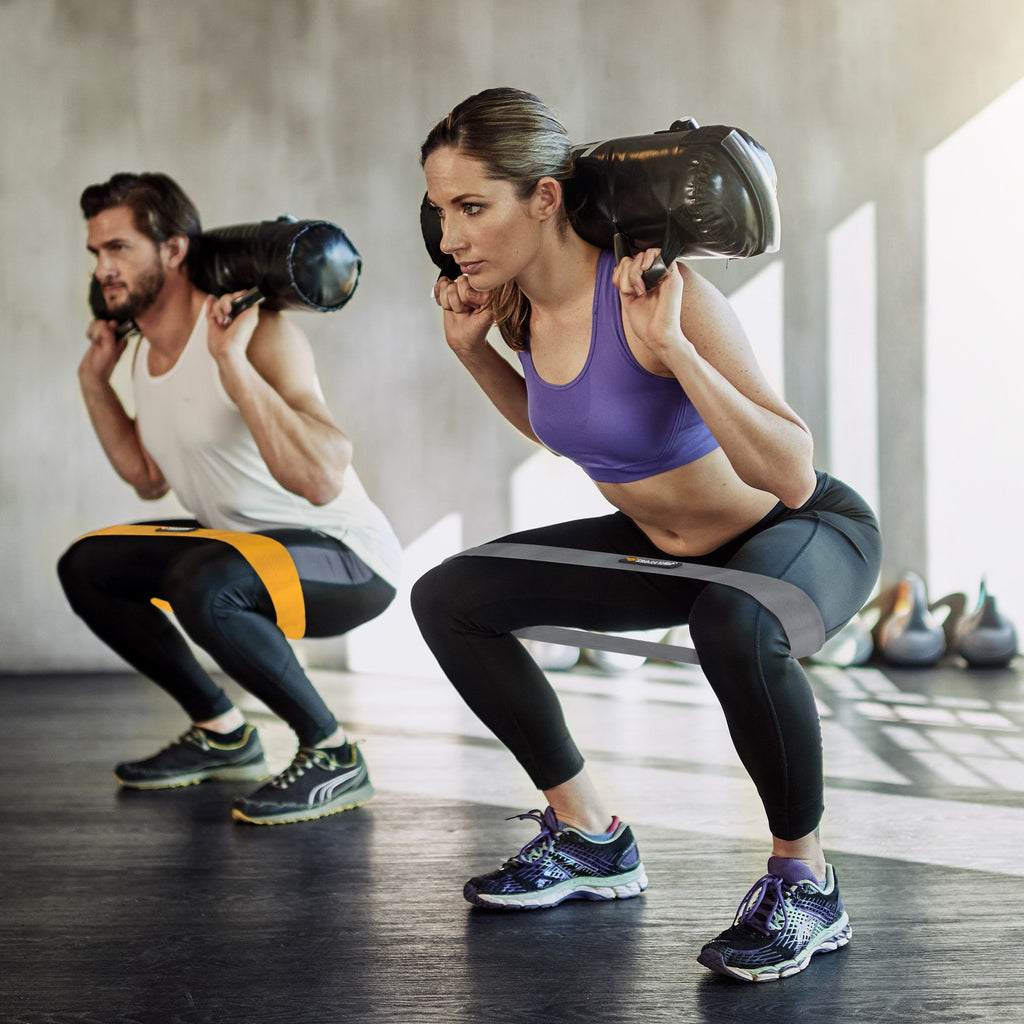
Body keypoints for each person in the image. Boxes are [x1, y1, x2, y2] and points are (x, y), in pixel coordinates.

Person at [411, 89, 881, 982]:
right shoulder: (522, 314)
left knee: (733, 622)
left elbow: (790, 469)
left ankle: (805, 883)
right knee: (450, 598)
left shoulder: (659, 292)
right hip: (670, 553)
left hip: (798, 531)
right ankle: (590, 837)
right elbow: (575, 428)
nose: (450, 235)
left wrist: (677, 356)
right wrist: (475, 352)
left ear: (545, 198)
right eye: (441, 210)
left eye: (472, 207)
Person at [58, 172, 402, 826]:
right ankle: (223, 732)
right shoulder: (144, 355)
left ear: (174, 250)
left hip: (348, 561)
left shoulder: (259, 333)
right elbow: (147, 478)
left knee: (203, 580)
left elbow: (323, 478)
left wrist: (233, 367)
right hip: (238, 552)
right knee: (87, 564)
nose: (103, 269)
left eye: (119, 248)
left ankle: (333, 755)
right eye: (97, 253)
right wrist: (94, 381)